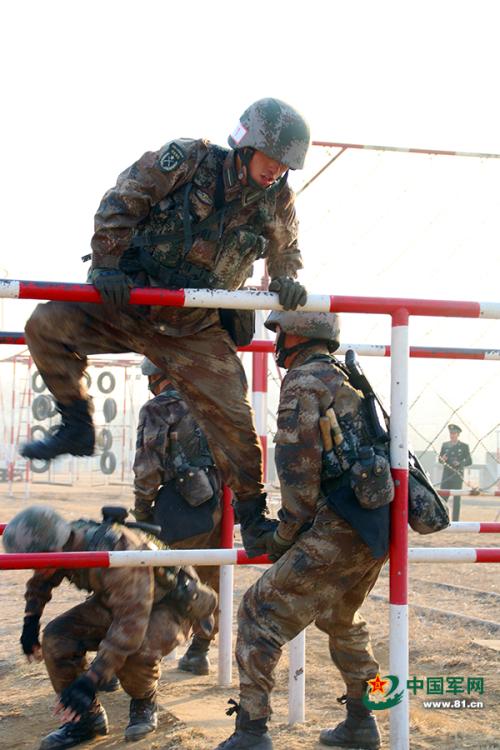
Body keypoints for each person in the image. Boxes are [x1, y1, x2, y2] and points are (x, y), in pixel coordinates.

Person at [20, 98, 310, 534]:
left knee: (234, 416)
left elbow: (287, 251)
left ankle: (251, 516)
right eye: (271, 158)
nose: (275, 171)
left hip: (191, 325)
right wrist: (106, 265)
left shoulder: (278, 200)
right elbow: (123, 200)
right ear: (247, 146)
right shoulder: (189, 161)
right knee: (44, 326)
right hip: (131, 300)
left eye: (285, 165)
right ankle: (77, 424)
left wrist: (287, 280)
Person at [214, 311, 394, 750]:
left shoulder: (303, 381)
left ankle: (252, 732)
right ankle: (362, 721)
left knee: (259, 612)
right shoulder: (342, 374)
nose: (275, 339)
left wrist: (284, 533)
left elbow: (298, 468)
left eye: (278, 331)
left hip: (343, 524)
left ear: (298, 333)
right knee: (340, 616)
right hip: (374, 522)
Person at [2, 504, 217, 750]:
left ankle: (144, 700)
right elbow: (42, 578)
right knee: (56, 637)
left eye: (36, 562)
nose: (34, 569)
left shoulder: (118, 552)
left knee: (136, 652)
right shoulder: (65, 543)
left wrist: (92, 679)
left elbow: (130, 626)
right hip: (118, 602)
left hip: (167, 605)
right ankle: (87, 720)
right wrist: (30, 621)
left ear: (55, 547)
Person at [133, 357, 222, 675]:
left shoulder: (159, 408)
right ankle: (200, 651)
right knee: (211, 578)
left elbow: (147, 467)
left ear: (157, 378)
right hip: (220, 506)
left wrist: (142, 512)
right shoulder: (211, 402)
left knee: (157, 580)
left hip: (180, 507)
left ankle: (138, 661)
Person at [438, 423, 472, 521]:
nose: (452, 435)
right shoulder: (445, 445)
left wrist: (460, 463)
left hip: (457, 475)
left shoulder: (464, 446)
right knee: (443, 497)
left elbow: (469, 461)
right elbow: (440, 460)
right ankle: (443, 519)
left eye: (454, 433)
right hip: (446, 475)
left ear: (458, 434)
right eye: (451, 433)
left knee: (457, 499)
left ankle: (456, 520)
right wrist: (442, 459)